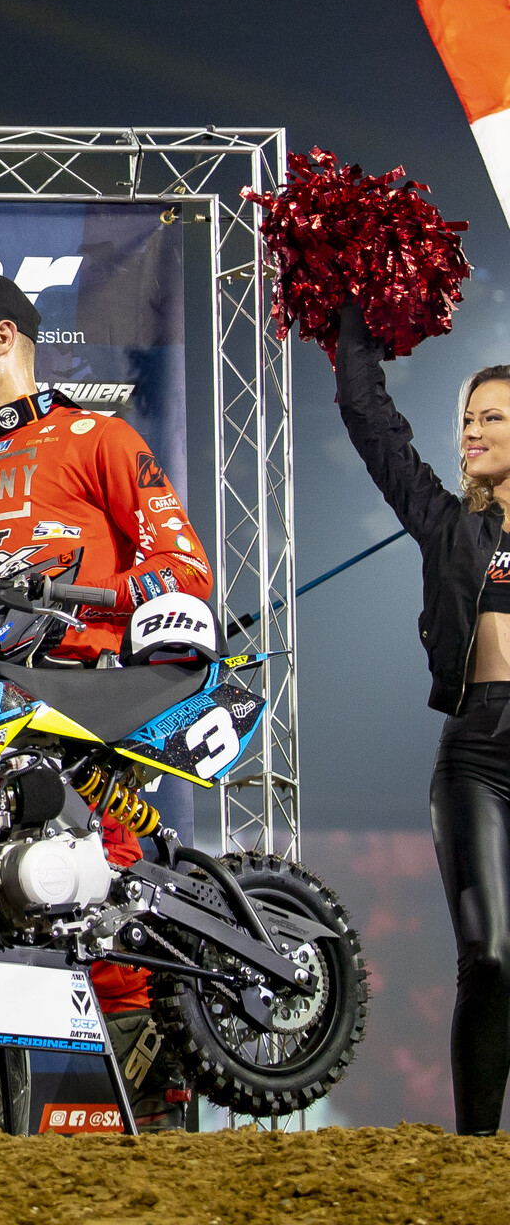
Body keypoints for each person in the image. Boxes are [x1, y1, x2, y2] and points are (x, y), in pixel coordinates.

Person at [0, 271, 213, 1126]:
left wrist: (88, 606)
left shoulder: (99, 439)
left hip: (80, 713)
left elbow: (182, 569)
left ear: (2, 337)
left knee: (103, 923)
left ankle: (160, 1107)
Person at [332, 298, 510, 1135]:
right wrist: (349, 311)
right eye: (468, 417)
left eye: (494, 418)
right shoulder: (448, 525)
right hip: (477, 754)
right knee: (491, 959)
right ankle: (475, 1158)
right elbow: (370, 420)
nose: (472, 431)